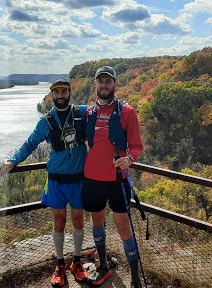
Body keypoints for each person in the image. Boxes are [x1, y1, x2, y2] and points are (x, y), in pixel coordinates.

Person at [0, 79, 89, 287]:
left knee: (78, 220)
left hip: (78, 179)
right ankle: (59, 265)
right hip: (56, 180)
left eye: (64, 91)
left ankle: (76, 262)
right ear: (52, 96)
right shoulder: (46, 121)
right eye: (56, 93)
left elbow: (102, 111)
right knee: (59, 221)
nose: (60, 95)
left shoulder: (82, 113)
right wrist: (13, 161)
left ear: (69, 93)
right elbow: (30, 143)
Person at [82, 66, 144, 288]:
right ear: (96, 85)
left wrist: (129, 159)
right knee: (97, 224)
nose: (104, 85)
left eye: (108, 81)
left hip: (117, 178)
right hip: (92, 178)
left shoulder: (127, 112)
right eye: (101, 81)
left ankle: (135, 278)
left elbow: (136, 146)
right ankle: (103, 267)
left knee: (123, 227)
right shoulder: (89, 113)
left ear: (115, 84)